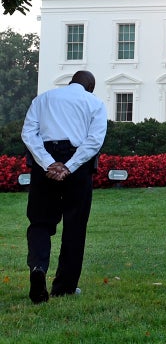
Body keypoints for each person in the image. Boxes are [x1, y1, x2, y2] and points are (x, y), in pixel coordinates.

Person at [21, 70, 107, 304]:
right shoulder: (94, 103)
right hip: (77, 164)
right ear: (90, 86)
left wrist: (49, 163)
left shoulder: (42, 99)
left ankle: (38, 269)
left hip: (45, 162)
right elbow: (94, 141)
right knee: (75, 226)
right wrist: (69, 166)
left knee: (40, 222)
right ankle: (64, 287)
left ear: (71, 82)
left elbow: (29, 134)